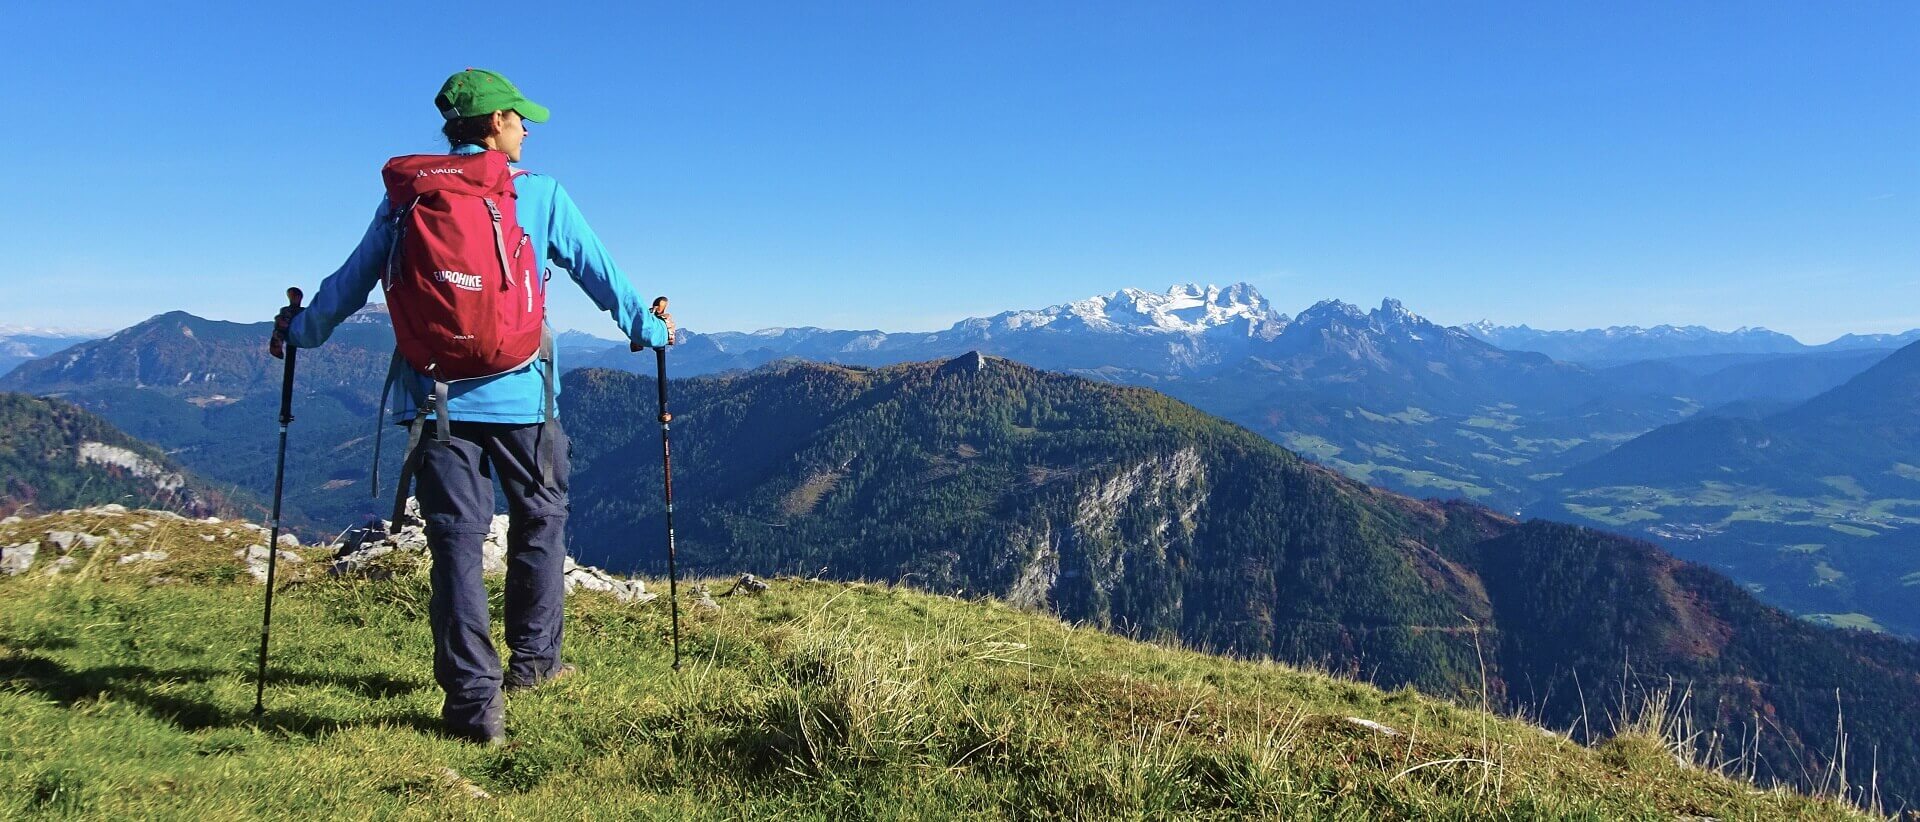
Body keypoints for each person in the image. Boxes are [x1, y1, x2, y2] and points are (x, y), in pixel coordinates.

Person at [271, 68, 673, 744]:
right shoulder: (538, 195)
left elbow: (350, 283)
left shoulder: (409, 198)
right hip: (523, 396)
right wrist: (651, 330)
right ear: (493, 124)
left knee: (455, 544)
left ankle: (472, 708)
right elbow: (601, 273)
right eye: (519, 119)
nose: (526, 131)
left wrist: (298, 330)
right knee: (540, 518)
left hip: (434, 400)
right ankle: (536, 665)